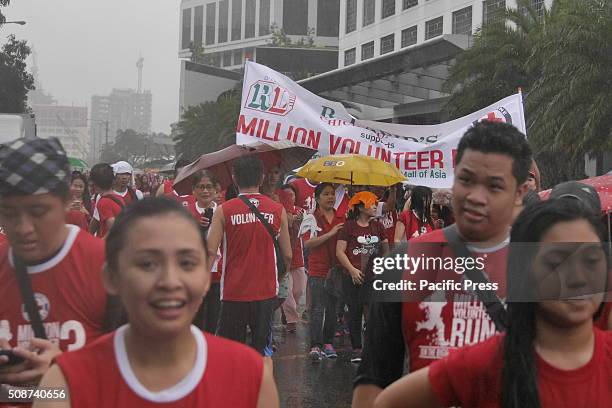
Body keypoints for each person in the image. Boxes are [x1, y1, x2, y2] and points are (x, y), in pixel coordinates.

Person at [35, 197, 279, 407]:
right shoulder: (65, 383)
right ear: (111, 278)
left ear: (206, 276)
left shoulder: (252, 378)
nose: (170, 282)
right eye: (148, 264)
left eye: (186, 263)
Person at [352, 121, 531, 408]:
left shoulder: (543, 268)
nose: (475, 196)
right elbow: (374, 377)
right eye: (466, 180)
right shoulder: (402, 261)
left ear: (520, 192)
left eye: (494, 186)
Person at [374, 199, 611, 408]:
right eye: (557, 262)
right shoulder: (485, 363)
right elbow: (388, 402)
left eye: (591, 260)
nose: (578, 278)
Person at [0, 137, 107, 388]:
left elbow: (146, 370)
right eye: (9, 213)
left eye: (38, 212)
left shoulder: (107, 267)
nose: (23, 228)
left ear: (66, 201)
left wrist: (66, 373)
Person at [207, 156, 292, 357]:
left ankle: (234, 387)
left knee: (230, 351)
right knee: (263, 351)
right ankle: (261, 388)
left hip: (232, 292)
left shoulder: (223, 211)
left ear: (234, 178)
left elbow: (210, 251)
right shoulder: (277, 210)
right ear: (262, 178)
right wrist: (280, 277)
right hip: (265, 291)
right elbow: (287, 254)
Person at [337, 191, 389, 364]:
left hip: (372, 278)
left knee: (372, 313)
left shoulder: (378, 227)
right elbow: (340, 252)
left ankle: (372, 346)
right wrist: (352, 270)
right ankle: (357, 348)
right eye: (371, 203)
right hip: (351, 277)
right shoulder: (349, 227)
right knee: (354, 312)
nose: (375, 206)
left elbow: (385, 251)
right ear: (360, 207)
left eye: (376, 203)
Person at [301, 183, 345, 361]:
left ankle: (328, 343)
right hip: (317, 268)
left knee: (333, 309)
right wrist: (330, 233)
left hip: (336, 270)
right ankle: (315, 345)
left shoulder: (342, 218)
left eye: (332, 194)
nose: (330, 197)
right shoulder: (311, 218)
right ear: (317, 198)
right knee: (318, 308)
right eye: (326, 194)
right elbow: (307, 243)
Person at [187, 170, 221, 333]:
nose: (205, 191)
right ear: (194, 190)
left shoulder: (223, 211)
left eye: (209, 187)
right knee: (196, 321)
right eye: (201, 187)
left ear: (216, 190)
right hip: (194, 276)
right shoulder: (186, 213)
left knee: (215, 321)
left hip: (218, 277)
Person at [278, 184, 307, 333]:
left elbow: (308, 230)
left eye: (292, 195)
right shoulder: (278, 211)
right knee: (287, 291)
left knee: (298, 290)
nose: (290, 198)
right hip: (283, 257)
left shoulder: (302, 212)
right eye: (287, 195)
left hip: (298, 256)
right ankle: (292, 320)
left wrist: (300, 222)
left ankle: (287, 311)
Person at [90, 163, 125, 239]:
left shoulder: (103, 202)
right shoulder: (119, 198)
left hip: (109, 246)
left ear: (94, 184)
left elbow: (113, 229)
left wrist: (99, 242)